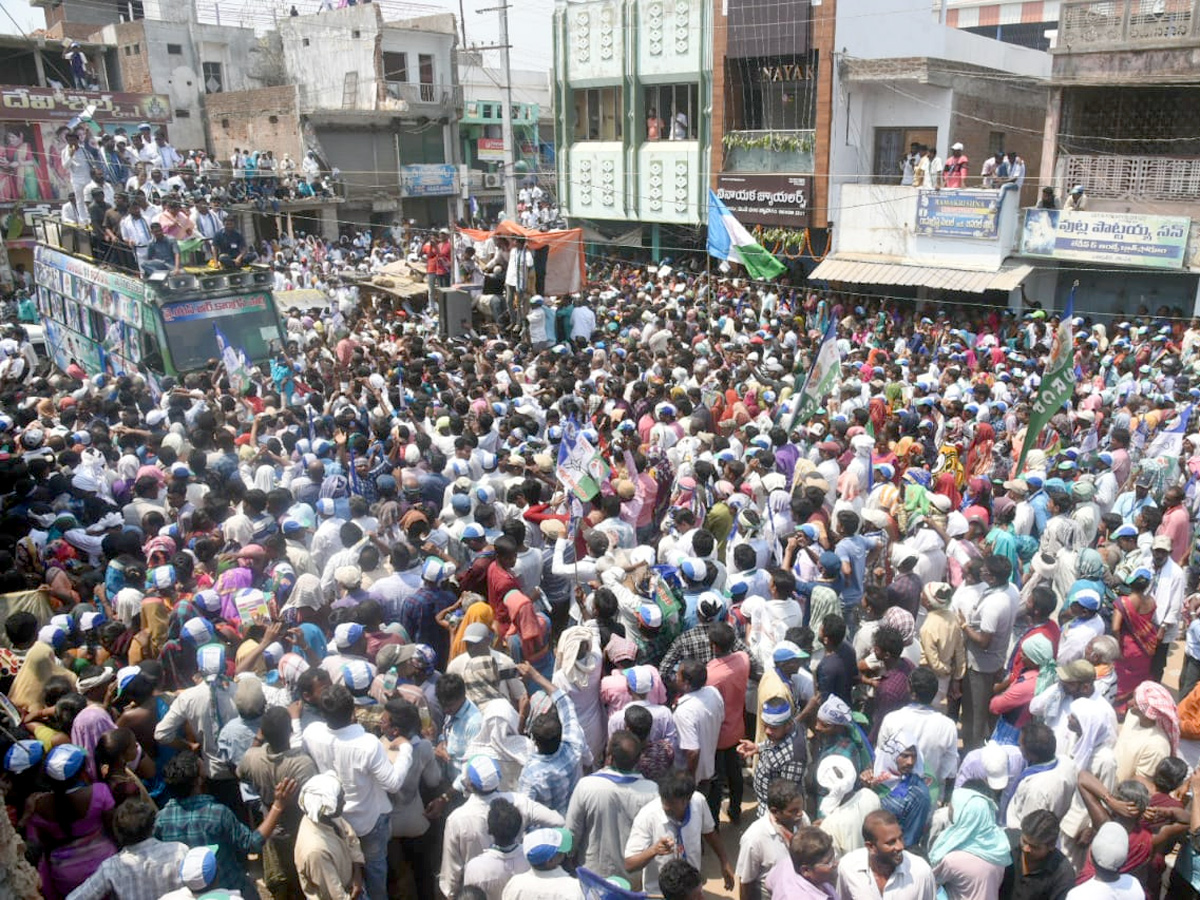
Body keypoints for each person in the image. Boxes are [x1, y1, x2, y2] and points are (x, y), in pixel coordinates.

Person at [301, 684, 413, 900]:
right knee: (375, 870)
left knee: (349, 871)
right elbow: (393, 784)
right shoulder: (367, 744)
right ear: (353, 712)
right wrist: (406, 749)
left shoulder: (312, 733)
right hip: (367, 823)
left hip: (337, 820)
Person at [625, 770, 735, 895]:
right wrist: (654, 850)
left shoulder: (699, 802)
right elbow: (629, 864)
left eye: (671, 804)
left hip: (692, 891)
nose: (666, 807)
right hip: (659, 894)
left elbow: (709, 833)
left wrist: (724, 861)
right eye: (663, 800)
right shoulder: (647, 816)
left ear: (687, 800)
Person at [834, 809, 936, 900]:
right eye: (891, 842)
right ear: (871, 847)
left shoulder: (921, 872)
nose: (900, 846)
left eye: (900, 838)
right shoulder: (848, 868)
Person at [293, 773, 364, 900]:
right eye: (341, 799)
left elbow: (350, 837)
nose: (344, 802)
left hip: (352, 885)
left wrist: (357, 875)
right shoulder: (316, 851)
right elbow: (334, 894)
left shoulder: (324, 816)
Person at [1000, 809, 1077, 900]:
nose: (1025, 849)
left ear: (1051, 846)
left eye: (1034, 847)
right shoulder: (1006, 844)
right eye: (1024, 841)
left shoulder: (1062, 875)